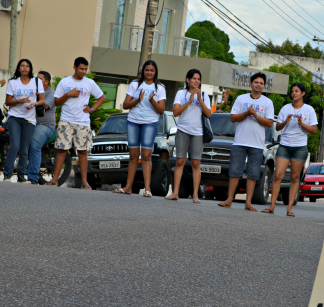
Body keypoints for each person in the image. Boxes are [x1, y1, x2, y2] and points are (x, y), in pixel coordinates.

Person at [217, 72, 274, 211]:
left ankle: (248, 203)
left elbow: (269, 123)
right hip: (240, 142)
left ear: (263, 86)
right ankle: (229, 199)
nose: (258, 85)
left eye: (261, 83)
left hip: (257, 144)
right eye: (256, 82)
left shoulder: (267, 102)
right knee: (234, 171)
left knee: (253, 174)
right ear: (251, 83)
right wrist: (246, 113)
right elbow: (233, 118)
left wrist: (255, 115)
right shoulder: (241, 99)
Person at [48, 57, 105, 188]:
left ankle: (84, 182)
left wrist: (92, 109)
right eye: (81, 69)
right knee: (62, 150)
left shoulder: (89, 83)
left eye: (86, 69)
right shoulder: (65, 82)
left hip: (83, 122)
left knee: (82, 151)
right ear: (74, 67)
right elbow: (56, 102)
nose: (84, 71)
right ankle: (55, 179)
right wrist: (68, 94)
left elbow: (102, 97)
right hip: (66, 121)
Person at [262, 83, 317, 217]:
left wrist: (302, 124)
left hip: (299, 148)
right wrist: (286, 121)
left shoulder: (309, 110)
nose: (293, 93)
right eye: (292, 91)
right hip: (285, 146)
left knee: (294, 177)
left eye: (296, 91)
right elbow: (278, 127)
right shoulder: (286, 108)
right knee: (278, 175)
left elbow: (314, 130)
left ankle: (290, 208)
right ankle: (272, 206)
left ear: (303, 93)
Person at [114, 60, 166, 197]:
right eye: (146, 70)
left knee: (146, 156)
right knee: (133, 156)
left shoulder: (160, 87)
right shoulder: (135, 84)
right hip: (133, 122)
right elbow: (125, 105)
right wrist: (138, 100)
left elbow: (161, 110)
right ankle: (128, 187)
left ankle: (147, 189)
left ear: (155, 72)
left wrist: (152, 100)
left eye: (152, 70)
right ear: (143, 71)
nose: (149, 72)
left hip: (150, 122)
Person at [165, 68, 210, 202]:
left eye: (198, 79)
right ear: (188, 80)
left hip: (198, 132)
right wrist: (189, 101)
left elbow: (208, 114)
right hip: (183, 130)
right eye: (194, 78)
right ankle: (175, 193)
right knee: (180, 161)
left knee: (196, 163)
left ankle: (195, 195)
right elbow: (175, 112)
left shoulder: (205, 95)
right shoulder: (181, 93)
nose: (196, 81)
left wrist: (200, 100)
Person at [3, 59, 45, 183]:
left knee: (24, 148)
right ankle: (7, 175)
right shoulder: (13, 83)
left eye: (27, 66)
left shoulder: (36, 82)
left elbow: (42, 100)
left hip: (29, 119)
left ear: (30, 69)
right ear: (18, 68)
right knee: (15, 145)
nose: (25, 68)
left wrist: (34, 104)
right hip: (15, 118)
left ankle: (21, 176)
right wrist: (19, 101)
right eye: (22, 66)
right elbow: (7, 102)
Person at [27, 71, 56, 184]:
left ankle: (33, 177)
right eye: (35, 78)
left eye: (39, 79)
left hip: (45, 126)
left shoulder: (51, 93)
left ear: (47, 82)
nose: (35, 80)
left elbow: (44, 106)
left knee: (35, 145)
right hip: (31, 123)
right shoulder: (32, 91)